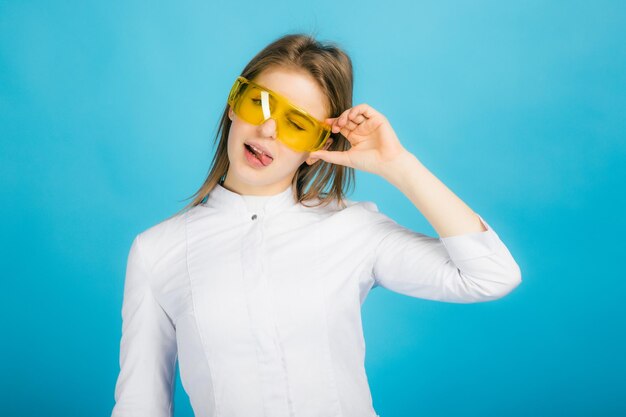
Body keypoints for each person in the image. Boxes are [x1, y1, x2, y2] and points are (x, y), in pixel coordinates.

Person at [111, 33, 522, 417]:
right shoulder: (156, 250)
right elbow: (139, 405)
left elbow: (490, 276)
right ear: (234, 103)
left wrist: (400, 167)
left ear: (318, 148)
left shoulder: (353, 228)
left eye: (297, 125)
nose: (268, 130)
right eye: (260, 103)